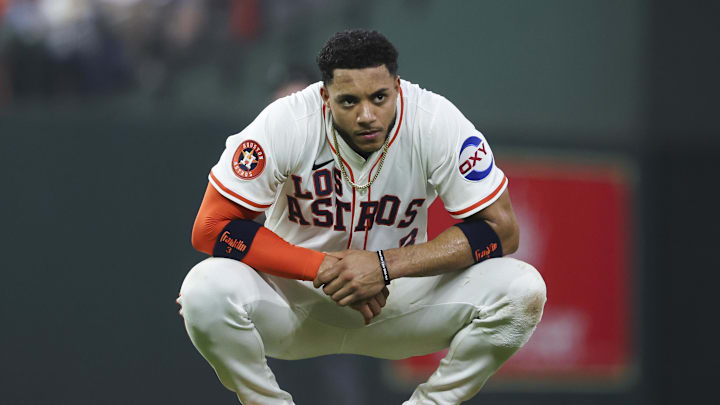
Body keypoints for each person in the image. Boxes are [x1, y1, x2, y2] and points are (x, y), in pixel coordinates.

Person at [177, 29, 547, 405]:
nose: (367, 115)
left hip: (396, 302)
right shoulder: (287, 121)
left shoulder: (434, 121)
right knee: (202, 289)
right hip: (292, 300)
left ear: (397, 86)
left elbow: (502, 232)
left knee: (522, 290)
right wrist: (320, 266)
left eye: (379, 97)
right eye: (349, 101)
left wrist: (383, 266)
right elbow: (210, 227)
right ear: (325, 96)